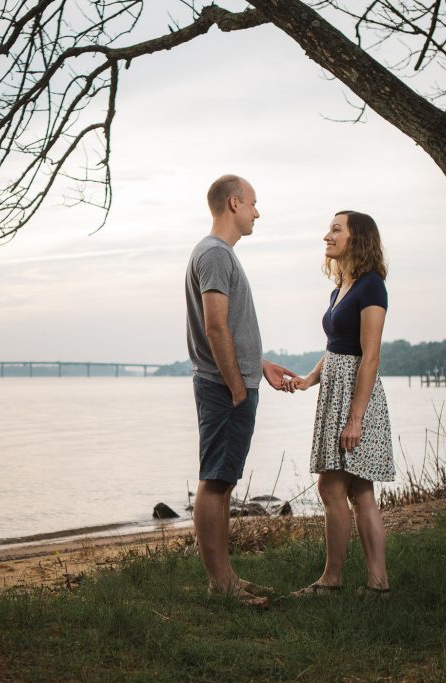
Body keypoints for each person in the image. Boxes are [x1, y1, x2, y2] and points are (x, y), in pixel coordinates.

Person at [185, 174, 297, 607]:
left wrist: (258, 365)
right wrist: (236, 385)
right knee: (215, 482)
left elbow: (228, 327)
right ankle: (221, 585)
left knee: (222, 480)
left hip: (233, 382)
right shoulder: (215, 254)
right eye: (253, 202)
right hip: (223, 388)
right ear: (234, 203)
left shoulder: (219, 255)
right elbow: (214, 326)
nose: (257, 211)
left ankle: (225, 577)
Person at [290, 210, 394, 597]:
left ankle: (331, 581)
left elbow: (369, 356)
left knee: (332, 490)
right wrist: (308, 379)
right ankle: (377, 586)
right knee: (359, 491)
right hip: (335, 390)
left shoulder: (371, 287)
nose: (327, 236)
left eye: (336, 229)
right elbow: (335, 349)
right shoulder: (341, 288)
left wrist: (355, 419)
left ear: (357, 237)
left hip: (355, 397)